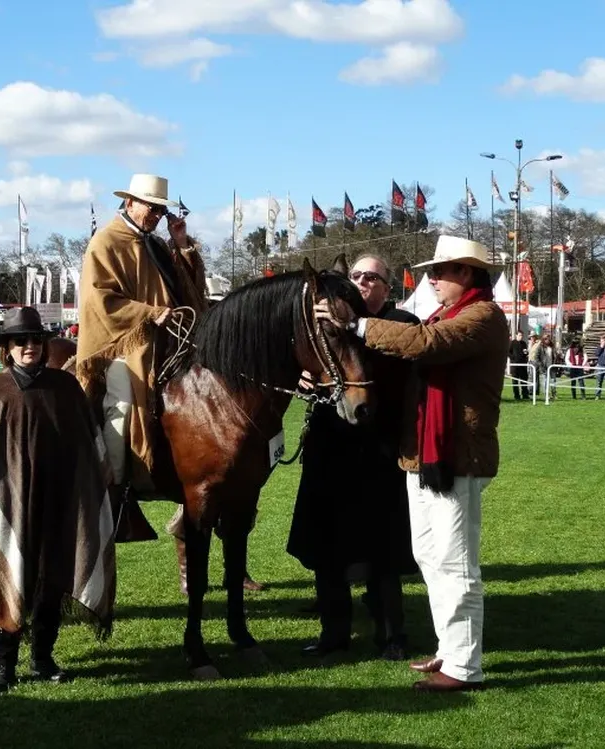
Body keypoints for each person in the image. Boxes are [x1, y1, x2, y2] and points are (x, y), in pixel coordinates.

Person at [315, 235, 509, 693]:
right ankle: (452, 650)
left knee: (455, 563)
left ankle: (464, 668)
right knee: (431, 556)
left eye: (439, 272)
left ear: (466, 274)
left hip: (455, 456)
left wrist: (357, 325)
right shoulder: (453, 313)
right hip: (426, 456)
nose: (431, 279)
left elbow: (424, 343)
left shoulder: (482, 316)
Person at [75, 174, 262, 590]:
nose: (158, 216)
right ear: (132, 203)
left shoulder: (156, 243)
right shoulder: (105, 242)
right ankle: (116, 490)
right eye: (152, 208)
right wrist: (148, 313)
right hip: (127, 348)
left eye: (163, 210)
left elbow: (190, 291)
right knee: (120, 411)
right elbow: (99, 300)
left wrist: (180, 244)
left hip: (175, 344)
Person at [0, 306, 116, 695]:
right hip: (11, 503)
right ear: (7, 348)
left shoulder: (66, 388)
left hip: (61, 502)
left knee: (51, 581)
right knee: (9, 579)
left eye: (35, 340)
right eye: (20, 341)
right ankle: (4, 666)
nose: (29, 347)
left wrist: (94, 484)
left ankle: (42, 658)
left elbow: (90, 443)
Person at [287, 254, 418, 661]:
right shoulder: (331, 325)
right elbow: (312, 361)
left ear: (387, 287)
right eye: (356, 275)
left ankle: (391, 634)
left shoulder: (402, 324)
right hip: (331, 448)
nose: (362, 281)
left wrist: (352, 327)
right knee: (327, 550)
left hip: (379, 452)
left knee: (384, 551)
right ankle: (334, 634)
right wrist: (303, 374)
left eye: (371, 277)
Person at [507, 330, 530, 400]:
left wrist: (526, 354)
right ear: (516, 335)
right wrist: (513, 358)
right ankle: (517, 396)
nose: (521, 337)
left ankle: (525, 395)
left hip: (523, 365)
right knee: (515, 381)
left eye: (522, 335)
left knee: (524, 380)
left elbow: (525, 352)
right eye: (519, 335)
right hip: (515, 365)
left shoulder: (524, 343)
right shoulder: (512, 343)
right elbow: (508, 352)